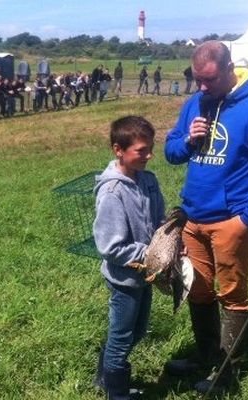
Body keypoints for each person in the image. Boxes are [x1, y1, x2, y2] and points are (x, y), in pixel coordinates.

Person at [164, 40, 248, 394]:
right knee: (197, 290)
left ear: (230, 67)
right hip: (193, 216)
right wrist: (188, 141)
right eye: (197, 79)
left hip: (233, 220)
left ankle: (226, 373)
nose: (202, 87)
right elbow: (171, 151)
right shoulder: (196, 103)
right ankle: (207, 357)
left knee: (232, 294)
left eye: (209, 79)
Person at [93, 116, 165, 400]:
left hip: (146, 274)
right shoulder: (112, 192)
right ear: (118, 150)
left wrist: (169, 241)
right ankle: (118, 394)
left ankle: (105, 377)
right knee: (122, 340)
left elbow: (159, 217)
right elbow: (110, 246)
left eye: (150, 148)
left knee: (135, 334)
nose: (149, 155)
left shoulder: (148, 180)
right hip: (124, 279)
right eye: (141, 150)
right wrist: (151, 254)